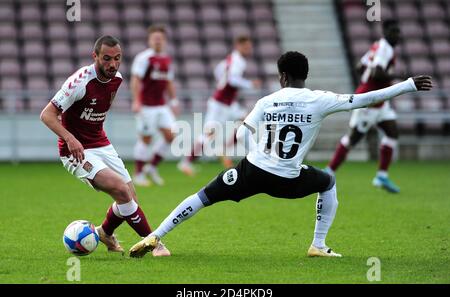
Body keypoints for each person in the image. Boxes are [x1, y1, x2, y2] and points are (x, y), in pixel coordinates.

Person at [128, 51, 432, 258]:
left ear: (282, 76)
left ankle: (154, 235)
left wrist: (253, 156)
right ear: (304, 75)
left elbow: (244, 132)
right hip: (288, 179)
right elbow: (362, 100)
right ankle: (318, 245)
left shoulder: (267, 100)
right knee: (326, 182)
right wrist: (406, 85)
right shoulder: (319, 100)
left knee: (202, 197)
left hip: (252, 170)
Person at [40, 35, 170, 256]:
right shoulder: (80, 81)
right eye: (107, 58)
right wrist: (70, 138)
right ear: (95, 57)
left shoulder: (117, 78)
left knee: (130, 197)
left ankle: (105, 233)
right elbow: (47, 115)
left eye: (117, 58)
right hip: (74, 150)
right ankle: (153, 243)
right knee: (120, 190)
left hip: (100, 143)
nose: (112, 64)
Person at [325, 20, 405, 193]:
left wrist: (368, 80)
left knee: (392, 133)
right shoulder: (385, 48)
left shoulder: (377, 45)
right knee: (353, 139)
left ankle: (381, 176)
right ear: (386, 32)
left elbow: (360, 66)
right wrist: (397, 76)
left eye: (398, 31)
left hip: (380, 102)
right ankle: (328, 171)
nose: (397, 35)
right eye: (394, 31)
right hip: (369, 102)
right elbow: (376, 72)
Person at [177, 35, 261, 176]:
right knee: (208, 134)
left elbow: (219, 71)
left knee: (247, 121)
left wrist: (222, 84)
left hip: (228, 103)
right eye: (246, 47)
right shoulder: (238, 61)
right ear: (238, 46)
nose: (249, 49)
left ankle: (224, 151)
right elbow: (232, 80)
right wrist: (250, 84)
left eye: (249, 47)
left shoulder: (231, 58)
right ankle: (185, 162)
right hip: (220, 104)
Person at [131, 25, 180, 186]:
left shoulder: (166, 59)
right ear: (150, 40)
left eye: (160, 38)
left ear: (164, 41)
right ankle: (138, 174)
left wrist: (173, 101)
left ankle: (151, 167)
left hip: (161, 106)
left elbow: (169, 82)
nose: (157, 41)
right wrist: (136, 100)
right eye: (155, 38)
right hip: (146, 106)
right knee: (146, 139)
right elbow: (136, 80)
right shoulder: (144, 58)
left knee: (171, 135)